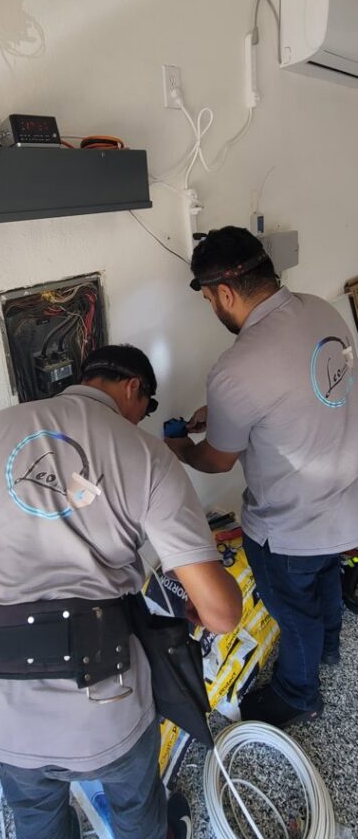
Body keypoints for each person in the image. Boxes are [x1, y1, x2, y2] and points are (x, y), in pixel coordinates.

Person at [0, 343, 241, 839]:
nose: (143, 418)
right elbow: (223, 613)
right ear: (133, 389)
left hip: (1, 707)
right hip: (105, 708)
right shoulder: (146, 456)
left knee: (37, 821)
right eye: (147, 407)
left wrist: (24, 598)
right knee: (137, 812)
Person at [166, 226, 358, 729]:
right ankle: (331, 647)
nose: (213, 308)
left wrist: (182, 448)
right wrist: (232, 413)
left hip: (290, 527)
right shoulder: (323, 309)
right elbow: (302, 395)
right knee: (326, 581)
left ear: (224, 293)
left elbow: (217, 461)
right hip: (345, 503)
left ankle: (299, 695)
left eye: (210, 299)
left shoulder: (237, 368)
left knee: (293, 613)